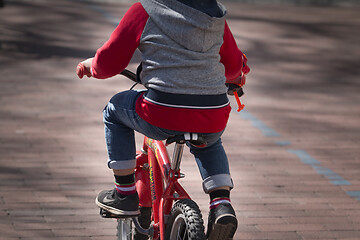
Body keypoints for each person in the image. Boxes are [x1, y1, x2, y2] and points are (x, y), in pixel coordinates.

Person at [77, 0, 249, 238]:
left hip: (161, 110)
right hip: (212, 111)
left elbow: (110, 62)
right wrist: (239, 74)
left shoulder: (144, 10)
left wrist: (91, 67)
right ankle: (221, 203)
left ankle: (125, 193)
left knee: (115, 109)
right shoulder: (215, 15)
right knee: (208, 142)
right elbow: (232, 67)